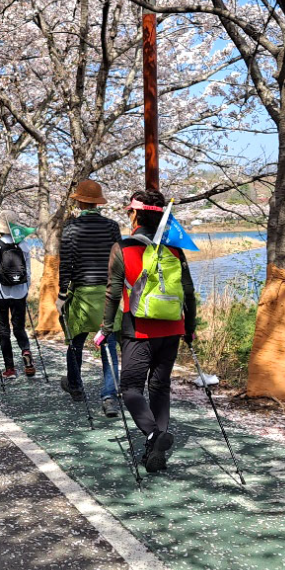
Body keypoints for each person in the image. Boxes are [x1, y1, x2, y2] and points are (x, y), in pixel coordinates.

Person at [100, 189, 196, 473]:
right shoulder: (174, 249)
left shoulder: (123, 248)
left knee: (130, 388)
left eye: (130, 212)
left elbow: (112, 293)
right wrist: (189, 328)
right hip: (172, 328)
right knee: (159, 386)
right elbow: (188, 292)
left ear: (135, 215)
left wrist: (106, 328)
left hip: (138, 329)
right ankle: (157, 451)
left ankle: (153, 435)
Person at [58, 179, 123, 415]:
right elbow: (120, 261)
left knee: (75, 343)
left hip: (81, 294)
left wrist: (61, 294)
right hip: (107, 295)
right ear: (97, 203)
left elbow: (66, 265)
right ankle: (109, 397)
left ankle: (76, 387)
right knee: (109, 345)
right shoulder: (112, 227)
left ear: (80, 202)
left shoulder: (70, 229)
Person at [0, 211, 34, 378]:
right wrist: (25, 290)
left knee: (4, 330)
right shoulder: (24, 245)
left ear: (0, 228)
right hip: (20, 293)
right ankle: (26, 351)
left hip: (0, 294)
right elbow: (28, 273)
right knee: (19, 327)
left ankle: (10, 369)